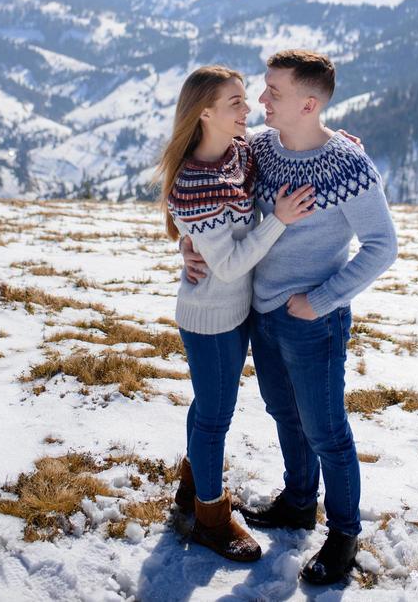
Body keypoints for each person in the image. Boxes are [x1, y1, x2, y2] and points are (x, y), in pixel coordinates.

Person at [181, 49, 398, 585]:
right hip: (260, 310)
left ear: (307, 102)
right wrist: (188, 244)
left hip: (312, 320)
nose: (259, 101)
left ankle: (344, 534)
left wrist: (321, 301)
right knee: (283, 411)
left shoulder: (348, 165)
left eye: (272, 93)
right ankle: (299, 502)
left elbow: (381, 246)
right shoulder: (258, 148)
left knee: (327, 430)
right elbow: (209, 197)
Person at [156, 64, 316, 564]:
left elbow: (286, 136)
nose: (248, 110)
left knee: (208, 406)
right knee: (215, 416)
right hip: (211, 318)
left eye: (245, 100)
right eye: (235, 103)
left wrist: (336, 142)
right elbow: (226, 265)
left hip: (236, 311)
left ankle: (190, 485)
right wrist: (280, 222)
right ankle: (209, 517)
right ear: (205, 113)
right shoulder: (196, 184)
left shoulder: (238, 153)